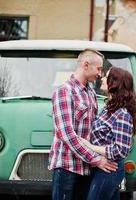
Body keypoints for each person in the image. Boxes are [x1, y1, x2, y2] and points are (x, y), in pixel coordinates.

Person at [48, 49, 118, 200]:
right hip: (67, 167)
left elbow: (93, 130)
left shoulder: (90, 93)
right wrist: (97, 159)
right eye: (99, 69)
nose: (100, 74)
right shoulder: (65, 92)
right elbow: (67, 135)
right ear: (86, 65)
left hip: (86, 167)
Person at [80, 67, 136, 200]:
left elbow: (121, 150)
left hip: (110, 170)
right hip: (101, 167)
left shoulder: (122, 114)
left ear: (116, 83)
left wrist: (90, 146)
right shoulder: (109, 108)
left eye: (107, 76)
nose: (102, 78)